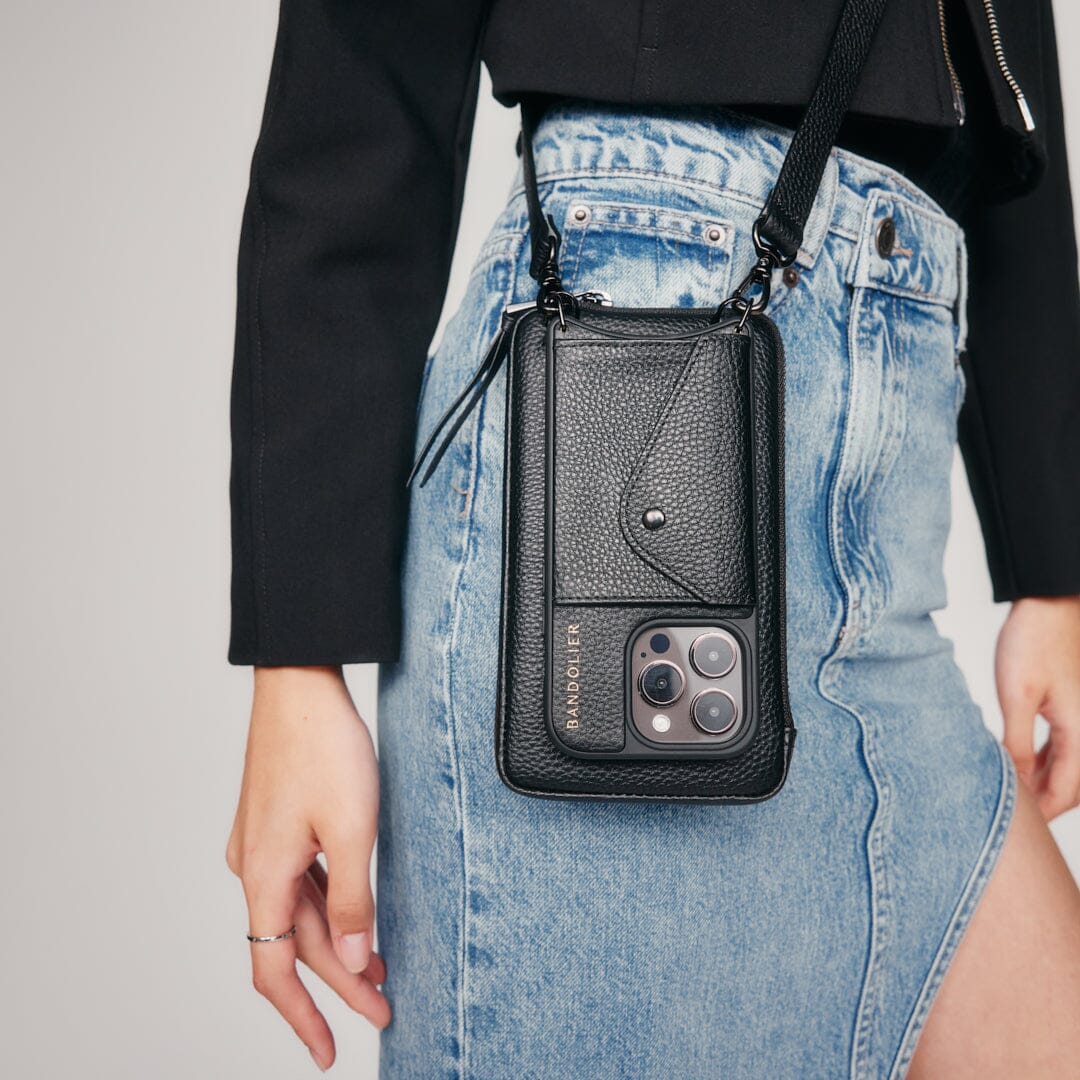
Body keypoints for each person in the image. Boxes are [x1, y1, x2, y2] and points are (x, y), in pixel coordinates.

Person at [224, 1, 1080, 1075]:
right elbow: (362, 63)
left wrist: (1053, 560)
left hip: (900, 395)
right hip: (638, 325)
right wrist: (297, 661)